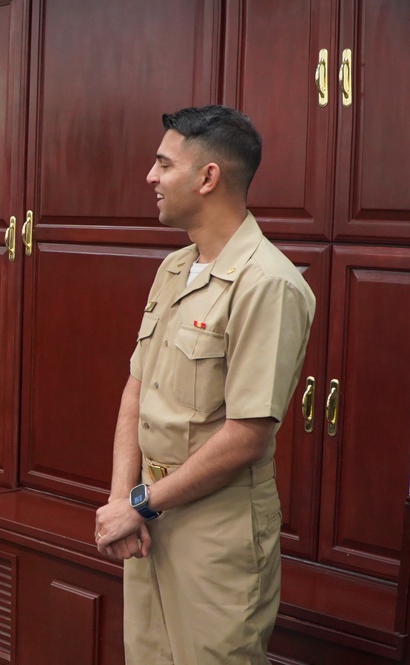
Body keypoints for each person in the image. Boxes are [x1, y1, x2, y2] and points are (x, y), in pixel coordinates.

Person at [93, 105, 315, 664]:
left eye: (164, 164)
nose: (151, 176)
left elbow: (247, 436)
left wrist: (139, 504)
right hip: (149, 519)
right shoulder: (173, 269)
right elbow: (135, 389)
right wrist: (124, 499)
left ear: (208, 178)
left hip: (217, 530)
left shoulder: (268, 283)